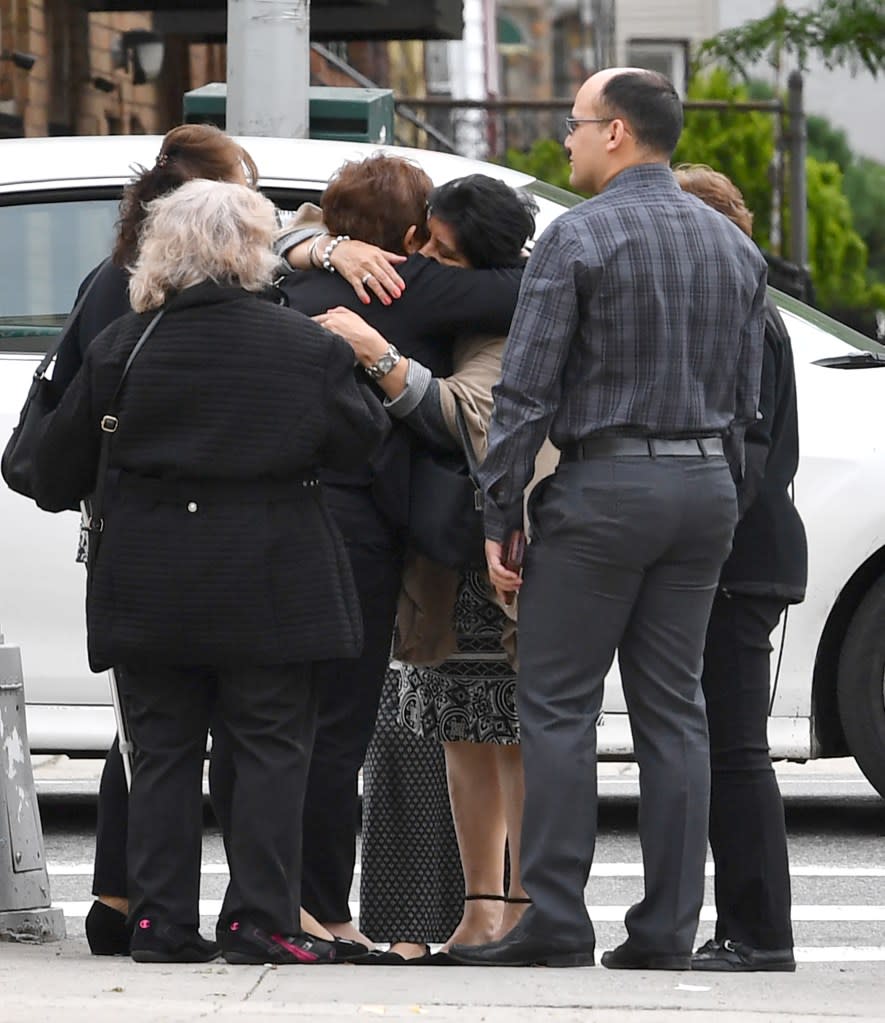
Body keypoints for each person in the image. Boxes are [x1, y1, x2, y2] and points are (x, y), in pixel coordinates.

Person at [449, 68, 768, 970]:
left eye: (576, 124)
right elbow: (746, 402)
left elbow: (526, 391)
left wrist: (499, 509)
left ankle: (554, 919)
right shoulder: (732, 247)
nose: (567, 140)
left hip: (603, 488)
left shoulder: (577, 237)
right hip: (703, 486)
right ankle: (665, 930)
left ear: (617, 132)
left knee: (556, 707)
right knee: (675, 713)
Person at [30, 179, 389, 964]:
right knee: (268, 747)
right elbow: (361, 443)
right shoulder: (306, 346)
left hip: (151, 578)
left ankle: (160, 921)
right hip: (274, 573)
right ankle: (260, 918)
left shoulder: (123, 345)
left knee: (159, 751)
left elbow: (47, 471)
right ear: (252, 253)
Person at [279, 154, 525, 948]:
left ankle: (279, 902)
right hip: (371, 533)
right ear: (410, 232)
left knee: (276, 724)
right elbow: (525, 289)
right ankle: (334, 909)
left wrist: (311, 248)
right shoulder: (417, 285)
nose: (427, 258)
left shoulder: (283, 287)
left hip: (276, 525)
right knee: (343, 728)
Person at [673, 165, 806, 973]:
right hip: (746, 550)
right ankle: (748, 927)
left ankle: (758, 932)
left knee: (734, 749)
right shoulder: (752, 312)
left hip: (736, 554)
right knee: (727, 745)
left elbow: (744, 453)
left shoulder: (745, 318)